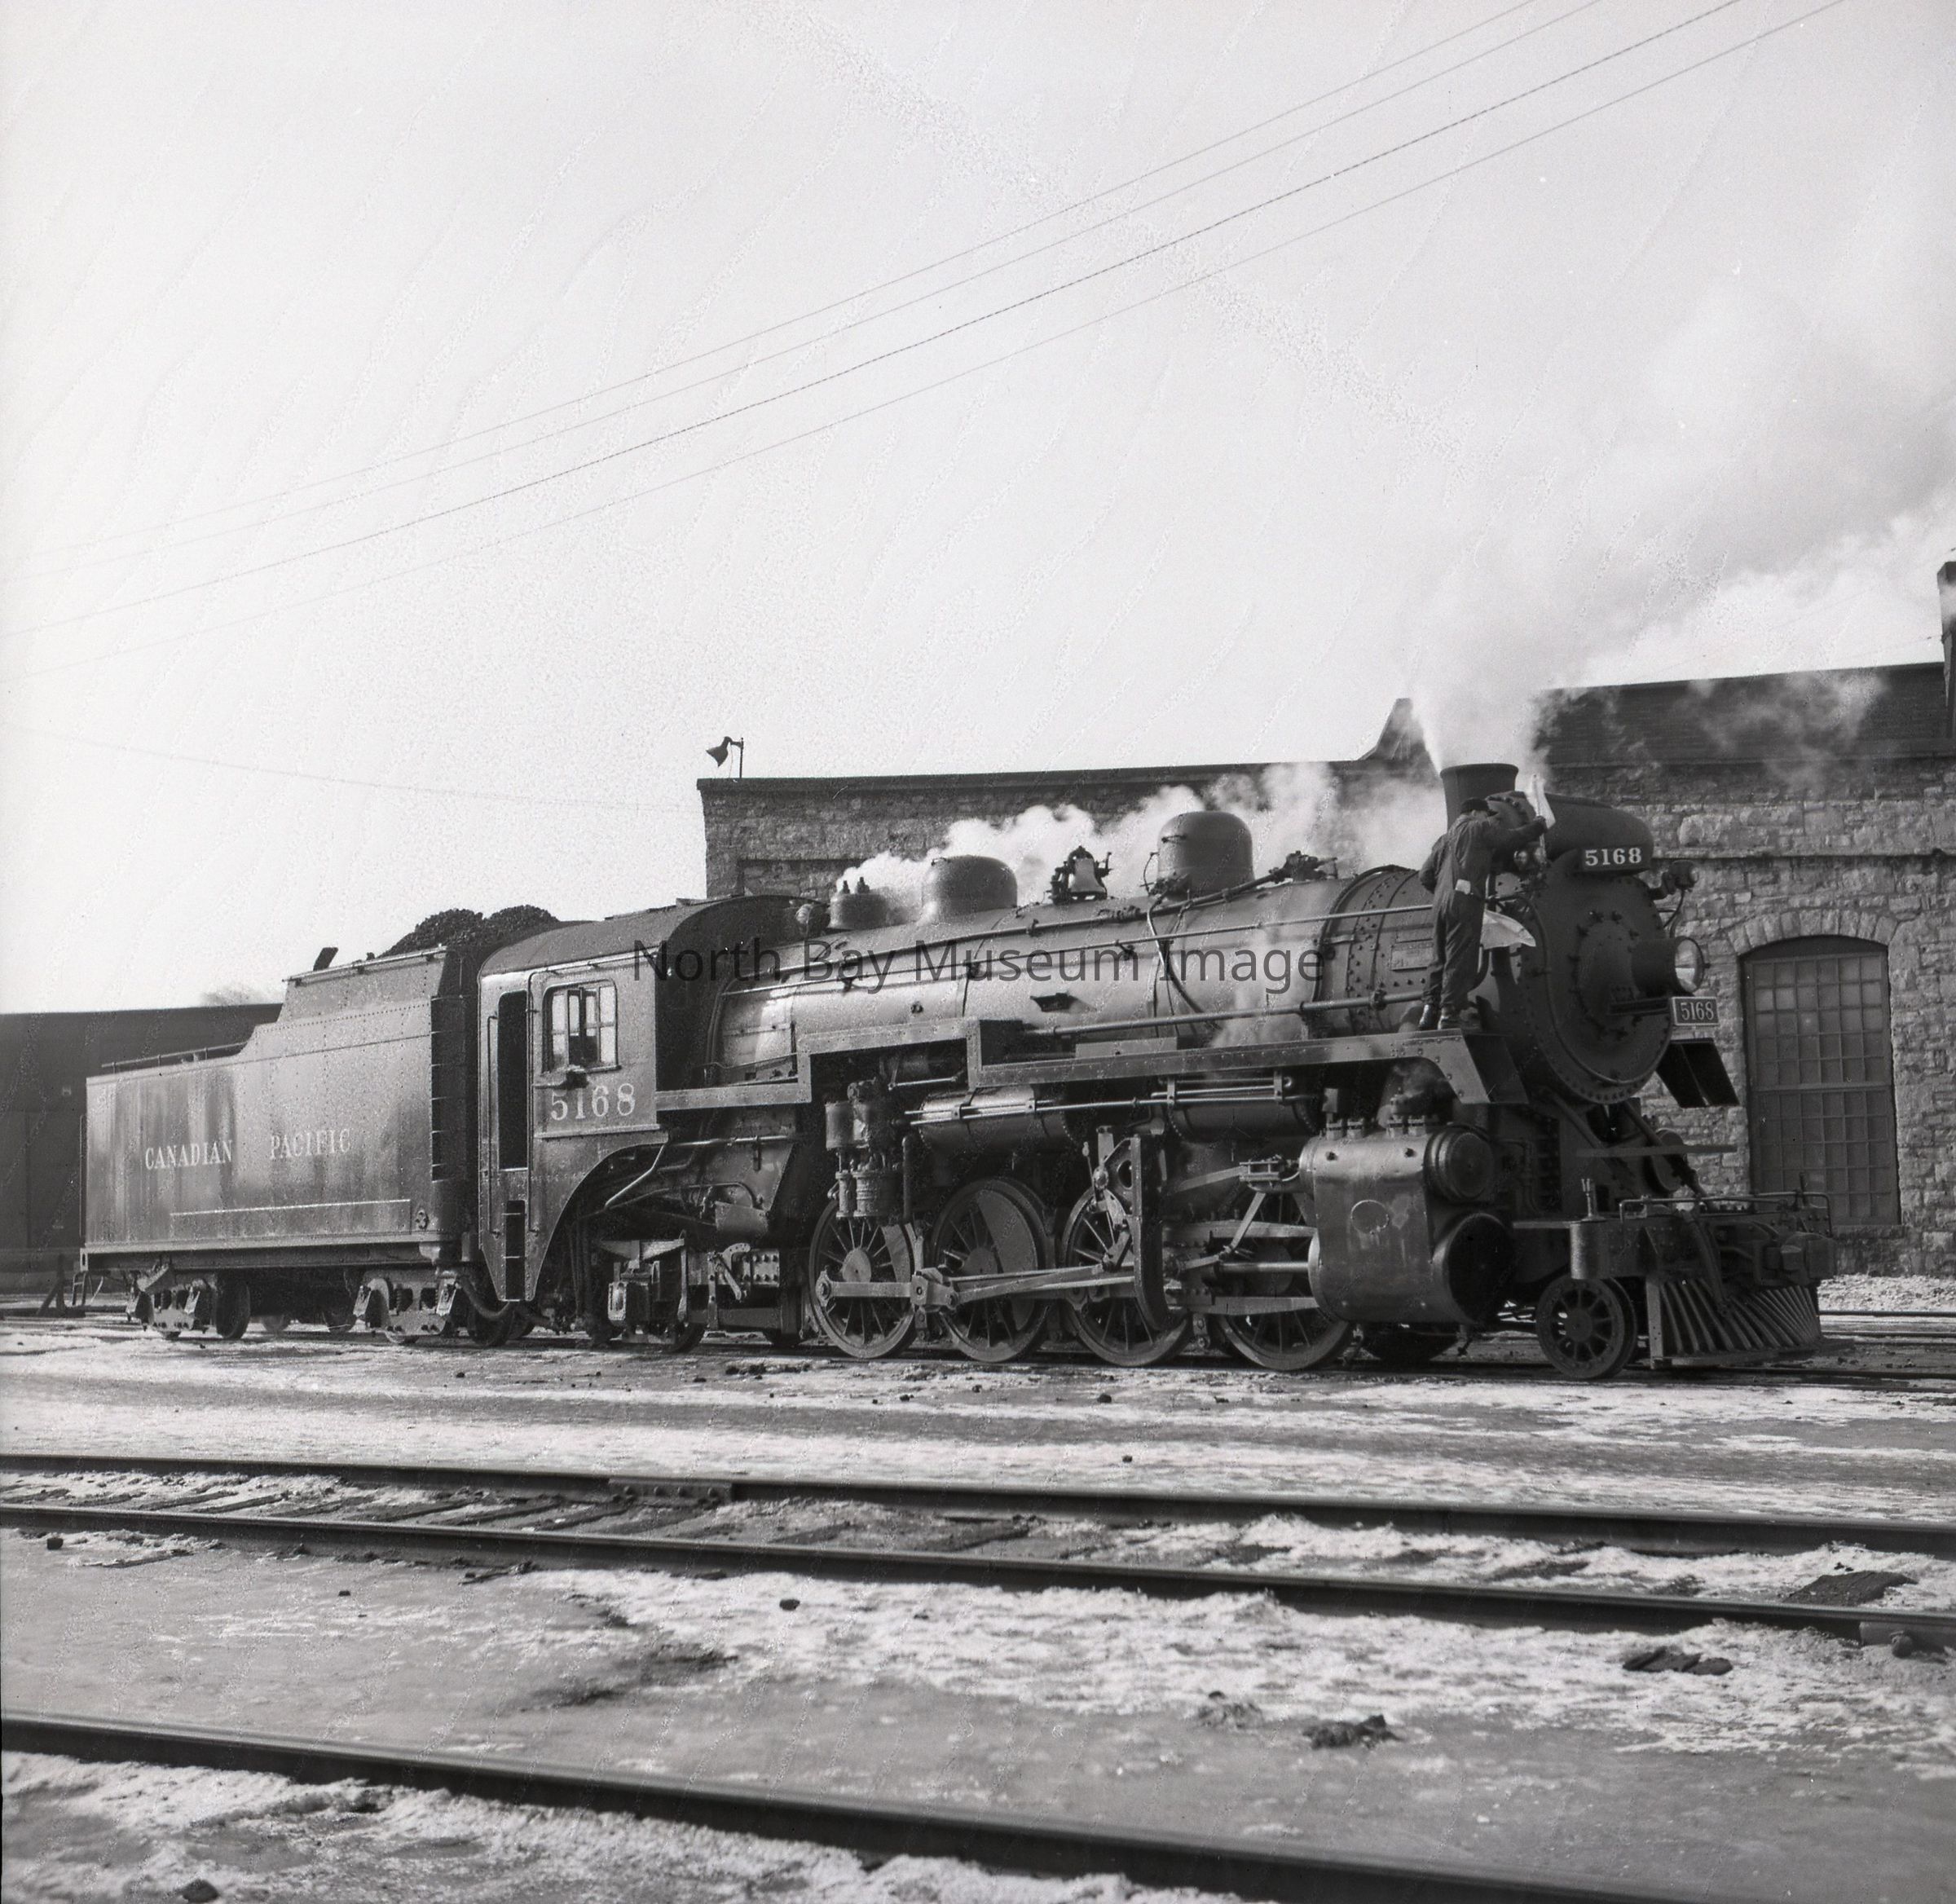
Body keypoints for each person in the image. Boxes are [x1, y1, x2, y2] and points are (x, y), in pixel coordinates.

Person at [1416, 795, 1548, 1030]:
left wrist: (1444, 891)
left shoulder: (1444, 839)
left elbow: (1425, 875)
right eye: (1485, 814)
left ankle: (1428, 1010)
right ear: (1476, 813)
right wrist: (1539, 825)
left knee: (1439, 957)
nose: (1487, 817)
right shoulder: (1479, 828)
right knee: (1460, 956)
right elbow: (1512, 838)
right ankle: (1449, 1014)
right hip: (1464, 900)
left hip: (1439, 903)